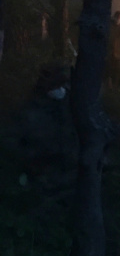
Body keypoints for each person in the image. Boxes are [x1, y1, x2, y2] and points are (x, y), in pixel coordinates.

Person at [13, 63, 77, 213]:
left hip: (63, 173)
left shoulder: (65, 105)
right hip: (41, 173)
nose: (62, 88)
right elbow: (28, 143)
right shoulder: (34, 109)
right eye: (58, 84)